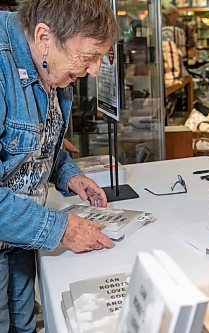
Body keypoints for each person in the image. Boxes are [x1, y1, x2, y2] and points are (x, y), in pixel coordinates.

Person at [0, 0, 118, 331]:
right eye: (89, 57)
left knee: (23, 324)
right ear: (44, 36)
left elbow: (32, 143)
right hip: (13, 221)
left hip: (21, 230)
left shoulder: (50, 64)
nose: (94, 70)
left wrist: (70, 175)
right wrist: (61, 228)